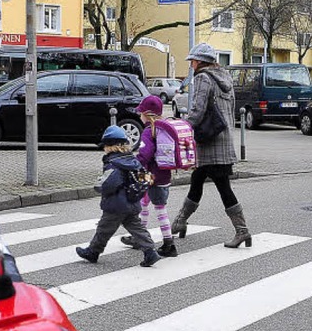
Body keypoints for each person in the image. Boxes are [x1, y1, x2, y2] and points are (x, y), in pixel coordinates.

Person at [171, 42, 251, 248]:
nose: (191, 65)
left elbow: (197, 110)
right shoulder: (225, 78)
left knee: (223, 187)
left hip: (209, 140)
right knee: (197, 179)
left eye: (193, 61)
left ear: (200, 62)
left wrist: (181, 127)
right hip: (221, 139)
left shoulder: (203, 78)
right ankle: (180, 222)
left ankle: (242, 231)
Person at [76, 125, 161, 267]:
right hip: (132, 201)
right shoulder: (133, 160)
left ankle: (93, 252)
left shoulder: (113, 163)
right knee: (137, 229)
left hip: (116, 205)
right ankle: (150, 251)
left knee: (103, 229)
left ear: (109, 147)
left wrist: (100, 186)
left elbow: (110, 184)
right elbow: (144, 177)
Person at [121, 95, 178, 257]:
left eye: (141, 112)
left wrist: (134, 164)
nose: (139, 115)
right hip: (164, 175)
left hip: (149, 175)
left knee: (156, 209)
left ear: (147, 114)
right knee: (144, 202)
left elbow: (144, 154)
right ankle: (140, 237)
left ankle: (168, 243)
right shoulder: (164, 128)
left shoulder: (148, 131)